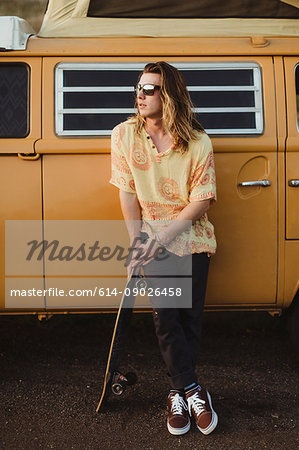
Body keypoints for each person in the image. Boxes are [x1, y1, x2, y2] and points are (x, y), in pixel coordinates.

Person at [109, 61, 218, 436]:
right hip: (152, 242)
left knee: (189, 319)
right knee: (166, 318)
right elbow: (127, 194)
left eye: (150, 89)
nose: (140, 95)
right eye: (138, 88)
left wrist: (159, 239)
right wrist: (139, 243)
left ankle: (177, 392)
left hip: (192, 238)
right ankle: (192, 390)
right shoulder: (124, 136)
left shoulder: (198, 142)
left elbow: (200, 202)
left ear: (168, 94)